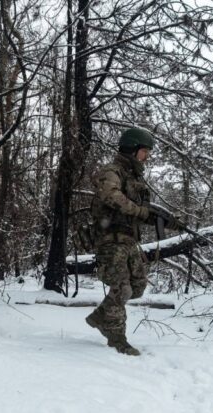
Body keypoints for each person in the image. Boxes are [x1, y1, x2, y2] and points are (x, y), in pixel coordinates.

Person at [86, 127, 179, 355]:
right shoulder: (111, 171)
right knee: (122, 287)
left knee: (137, 286)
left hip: (129, 242)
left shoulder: (135, 178)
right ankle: (117, 338)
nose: (146, 156)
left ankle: (100, 316)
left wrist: (166, 221)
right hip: (111, 240)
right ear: (132, 149)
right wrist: (140, 212)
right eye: (144, 151)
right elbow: (111, 196)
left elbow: (141, 212)